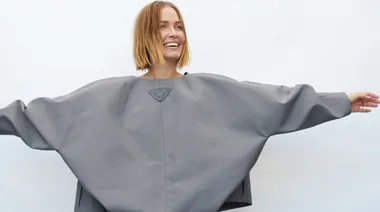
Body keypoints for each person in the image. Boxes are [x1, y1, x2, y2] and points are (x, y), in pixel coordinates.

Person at [1, 1, 379, 212]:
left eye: (178, 26)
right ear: (146, 35)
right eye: (163, 26)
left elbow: (279, 102)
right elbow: (38, 115)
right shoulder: (106, 98)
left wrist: (341, 101)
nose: (173, 34)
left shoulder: (213, 93)